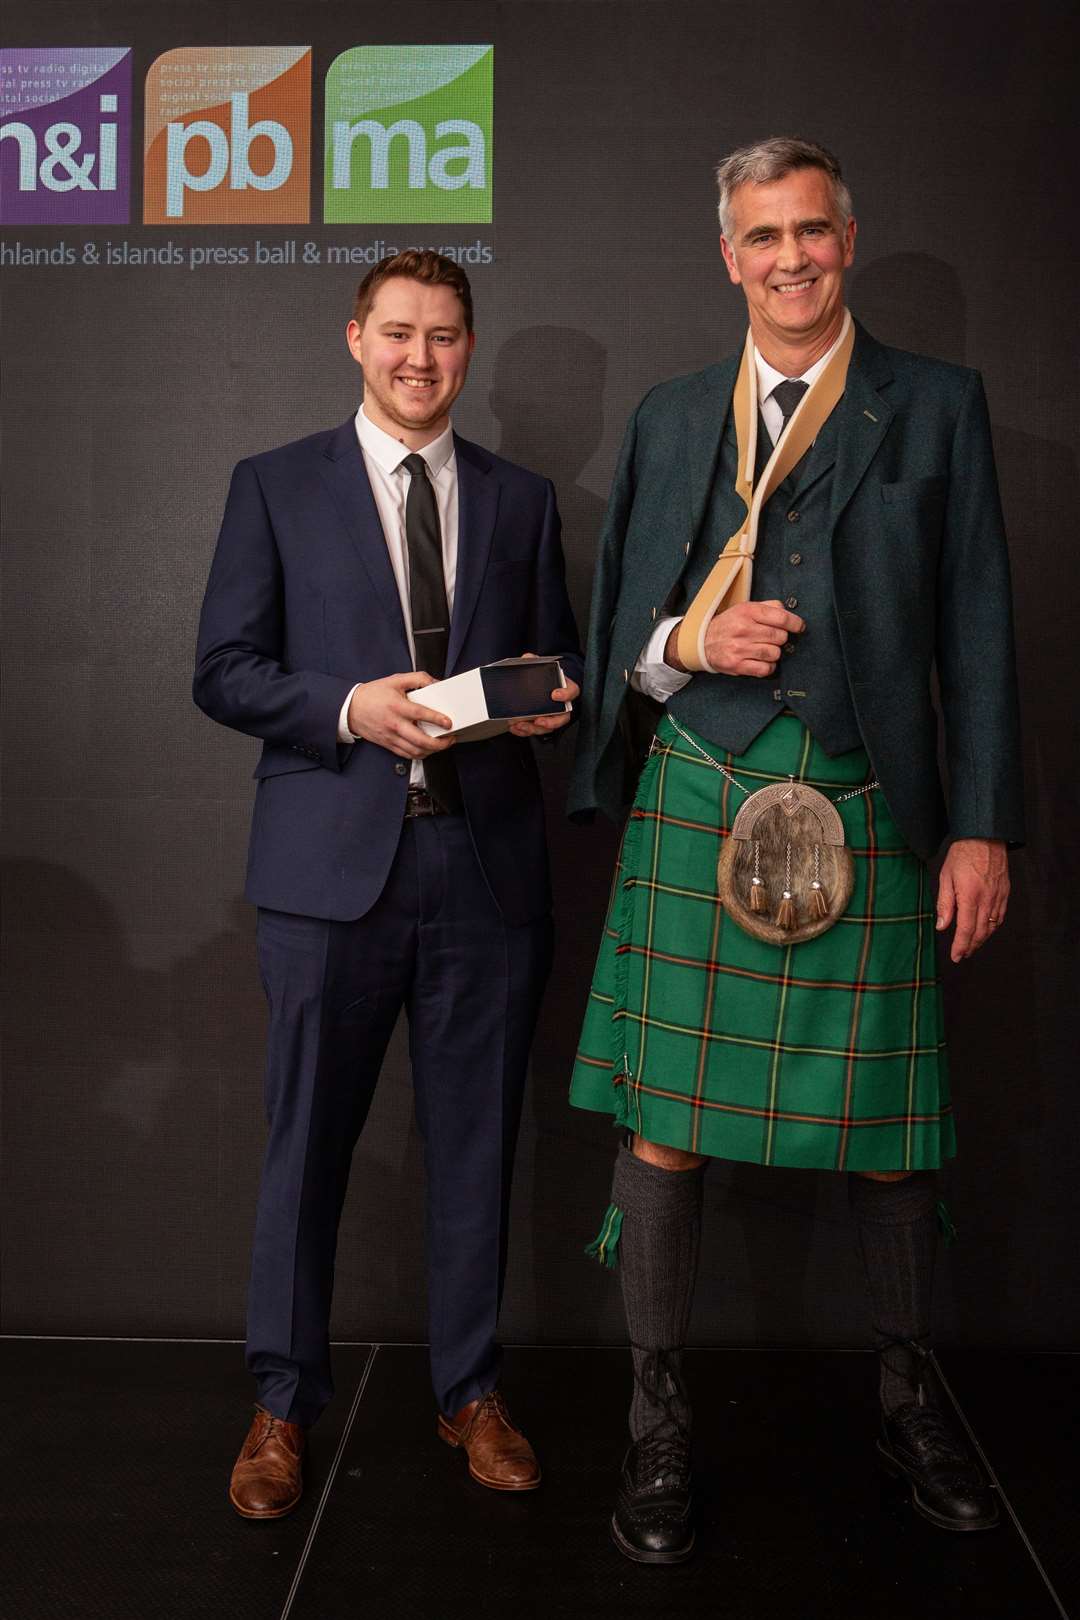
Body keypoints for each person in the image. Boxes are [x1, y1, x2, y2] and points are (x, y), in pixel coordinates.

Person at [568, 139, 1022, 1562]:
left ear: (849, 236)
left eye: (812, 232)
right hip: (701, 795)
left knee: (889, 1138)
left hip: (873, 800)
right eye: (762, 237)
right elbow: (617, 652)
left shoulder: (937, 407)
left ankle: (906, 1399)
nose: (790, 258)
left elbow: (982, 635)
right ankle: (657, 1422)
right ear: (728, 255)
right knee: (665, 1129)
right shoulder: (671, 416)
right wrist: (691, 640)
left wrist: (981, 824)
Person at [194, 250, 582, 1517]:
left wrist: (543, 700)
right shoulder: (274, 486)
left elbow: (560, 658)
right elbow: (224, 669)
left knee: (476, 1149)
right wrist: (347, 707)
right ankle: (280, 1405)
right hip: (327, 876)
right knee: (306, 1145)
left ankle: (470, 1391)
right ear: (354, 338)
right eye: (400, 333)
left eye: (448, 335)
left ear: (469, 347)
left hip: (485, 871)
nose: (424, 357)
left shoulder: (524, 502)